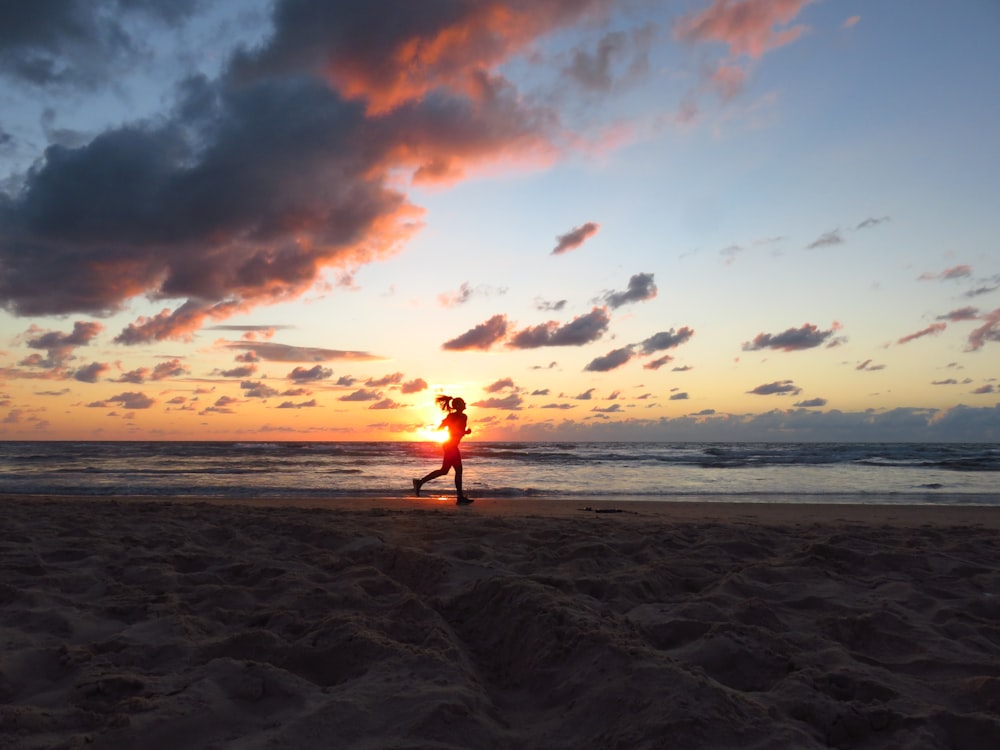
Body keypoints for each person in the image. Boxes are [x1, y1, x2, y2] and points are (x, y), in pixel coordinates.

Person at [413, 395, 472, 504]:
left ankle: (420, 482)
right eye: (463, 403)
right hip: (450, 446)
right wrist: (464, 432)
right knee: (458, 471)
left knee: (444, 471)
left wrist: (461, 432)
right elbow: (442, 429)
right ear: (458, 405)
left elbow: (457, 431)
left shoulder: (463, 416)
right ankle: (460, 498)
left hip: (451, 446)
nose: (465, 404)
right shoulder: (453, 416)